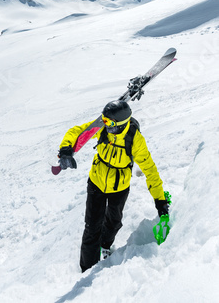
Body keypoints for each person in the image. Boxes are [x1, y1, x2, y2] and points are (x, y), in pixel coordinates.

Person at [58, 100, 169, 273]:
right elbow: (78, 131)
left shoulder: (135, 140)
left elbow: (150, 170)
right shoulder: (102, 127)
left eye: (109, 122)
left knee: (114, 222)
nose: (104, 124)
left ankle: (105, 245)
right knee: (92, 227)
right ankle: (86, 271)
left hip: (119, 187)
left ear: (120, 124)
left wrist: (160, 200)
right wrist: (66, 149)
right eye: (104, 120)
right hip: (96, 182)